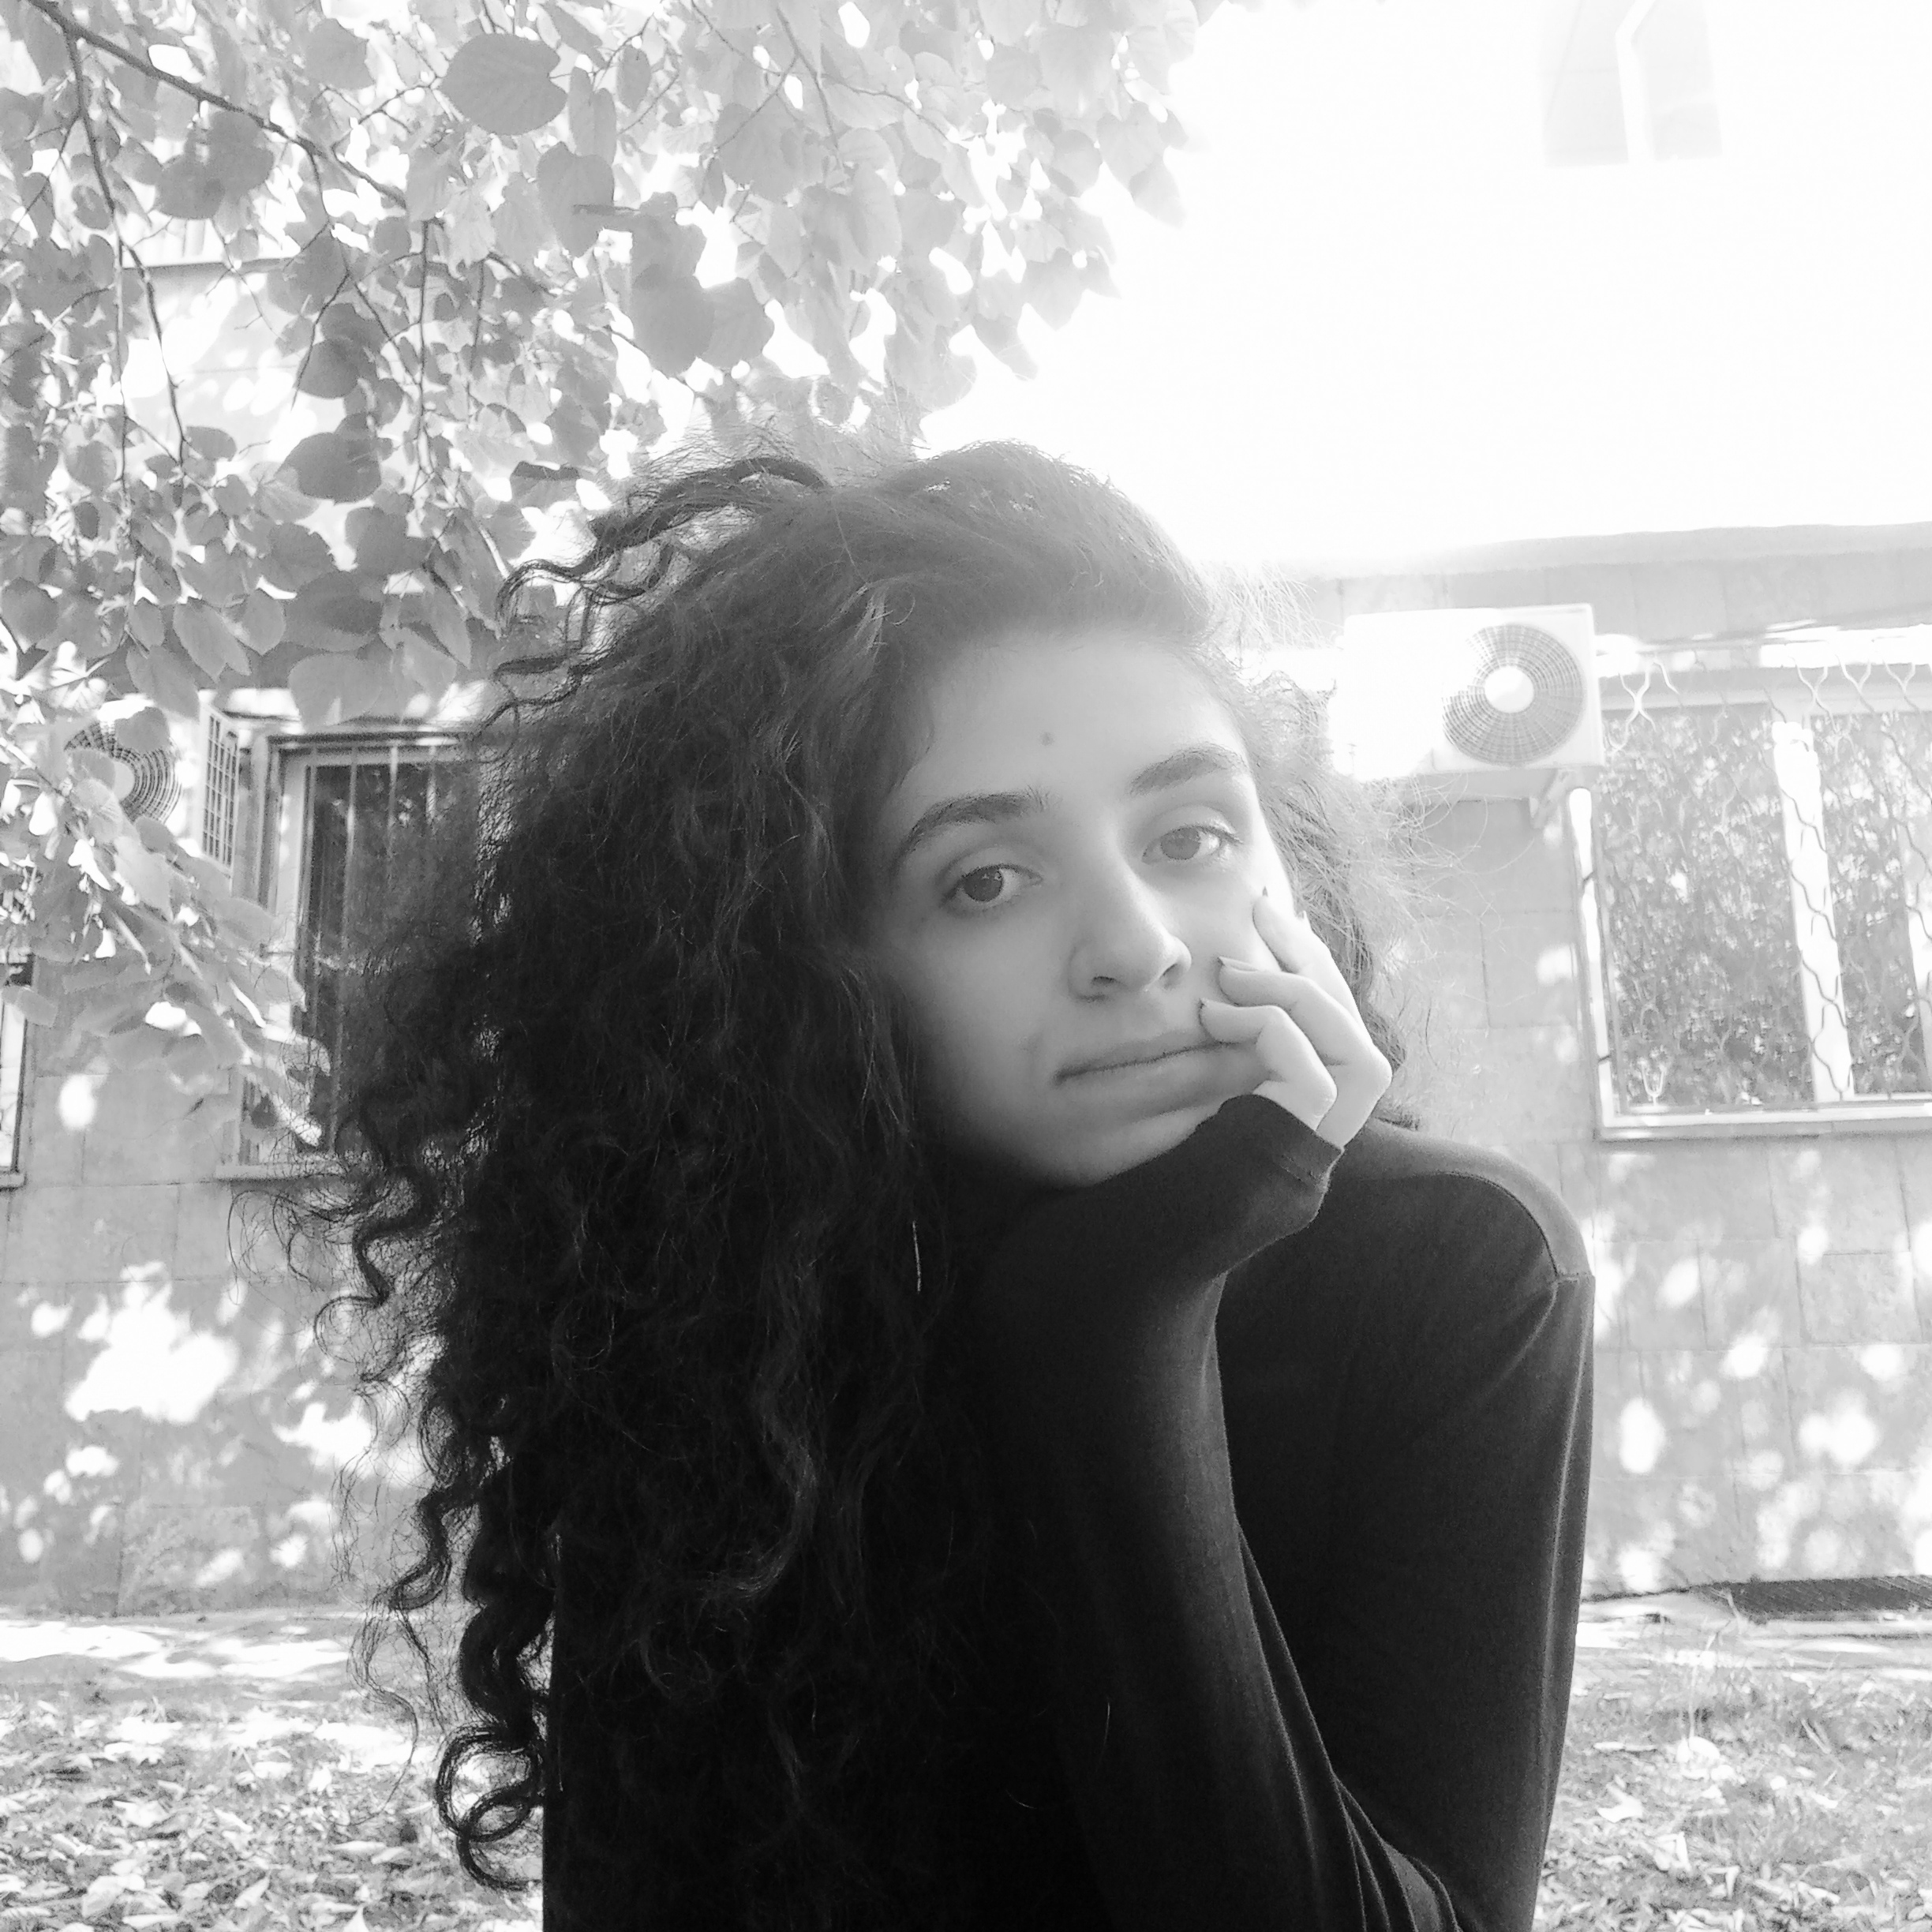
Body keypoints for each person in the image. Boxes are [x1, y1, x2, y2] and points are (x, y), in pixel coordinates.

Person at [313, 441, 1594, 1931]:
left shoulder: (1455, 1266)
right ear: (815, 972)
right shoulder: (707, 1319)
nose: (1138, 946)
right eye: (986, 879)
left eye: (1189, 836)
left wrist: (1117, 1331)